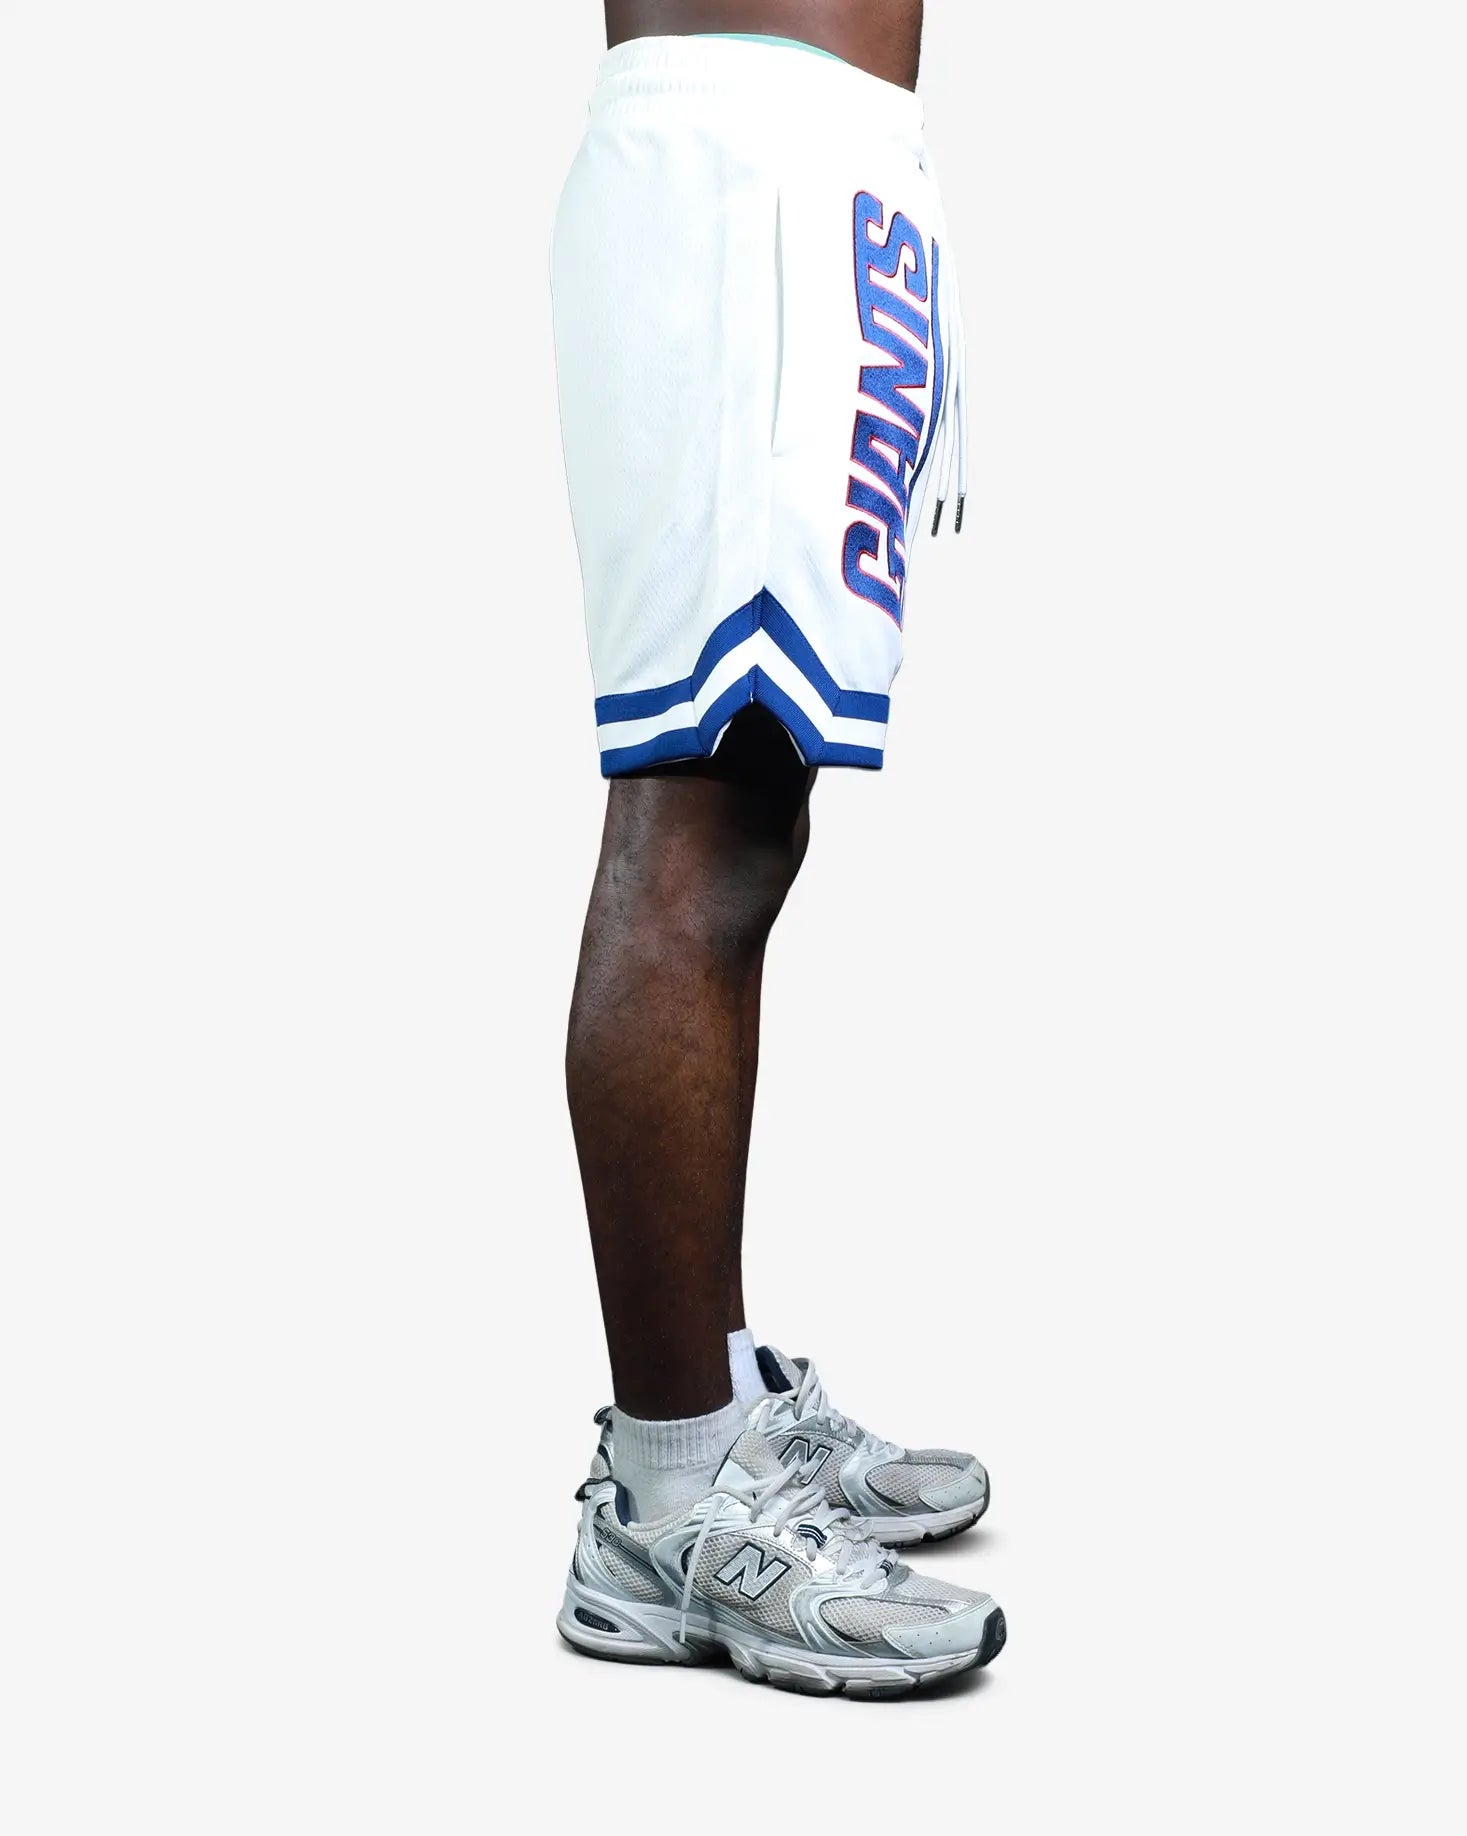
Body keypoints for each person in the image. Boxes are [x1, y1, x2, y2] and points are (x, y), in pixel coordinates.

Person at [549, 2, 1004, 1695]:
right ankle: (672, 1498)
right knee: (703, 815)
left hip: (817, 166)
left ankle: (719, 1406)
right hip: (749, 179)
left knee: (758, 803)